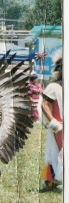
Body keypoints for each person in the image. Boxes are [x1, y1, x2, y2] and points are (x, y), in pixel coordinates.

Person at [41, 53, 63, 190]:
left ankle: (52, 180)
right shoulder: (54, 87)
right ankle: (51, 180)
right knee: (57, 153)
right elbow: (44, 104)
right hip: (59, 126)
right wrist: (53, 123)